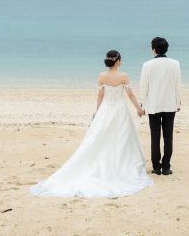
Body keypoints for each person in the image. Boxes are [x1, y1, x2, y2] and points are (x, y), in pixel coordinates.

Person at [30, 50, 153, 198]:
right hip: (120, 109)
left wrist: (97, 112)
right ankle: (122, 165)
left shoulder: (102, 76)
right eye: (121, 59)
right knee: (122, 137)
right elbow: (130, 95)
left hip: (106, 108)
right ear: (118, 61)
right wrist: (139, 109)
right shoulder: (123, 76)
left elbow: (100, 95)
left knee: (101, 137)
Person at [138, 37, 182, 176]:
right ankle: (166, 167)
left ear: (153, 49)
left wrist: (141, 106)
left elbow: (143, 87)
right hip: (170, 105)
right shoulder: (175, 64)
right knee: (168, 137)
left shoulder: (147, 65)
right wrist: (178, 103)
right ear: (166, 49)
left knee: (155, 137)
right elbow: (178, 85)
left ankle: (156, 167)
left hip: (153, 106)